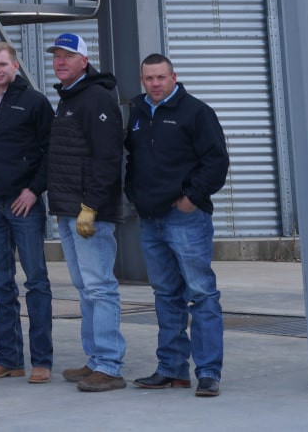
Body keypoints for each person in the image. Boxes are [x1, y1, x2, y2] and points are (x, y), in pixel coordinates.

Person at [125, 53, 230, 398]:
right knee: (165, 294)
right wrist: (134, 195)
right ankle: (172, 369)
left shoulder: (196, 112)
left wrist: (192, 198)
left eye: (161, 77)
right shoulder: (138, 113)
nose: (155, 84)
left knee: (201, 293)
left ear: (174, 77)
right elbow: (132, 159)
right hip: (150, 219)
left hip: (185, 218)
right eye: (149, 78)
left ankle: (209, 372)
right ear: (142, 80)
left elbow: (216, 161)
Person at [45, 31, 127, 394]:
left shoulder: (96, 99)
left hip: (89, 210)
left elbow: (108, 157)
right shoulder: (69, 98)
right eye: (56, 56)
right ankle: (95, 359)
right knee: (84, 287)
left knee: (100, 287)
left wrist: (91, 205)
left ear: (84, 61)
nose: (60, 62)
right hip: (68, 209)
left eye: (67, 56)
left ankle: (109, 365)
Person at [0, 40, 54, 383]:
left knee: (36, 282)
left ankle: (42, 361)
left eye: (2, 64)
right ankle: (8, 359)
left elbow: (50, 152)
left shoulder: (35, 102)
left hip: (23, 205)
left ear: (15, 66)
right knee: (1, 283)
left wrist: (34, 191)